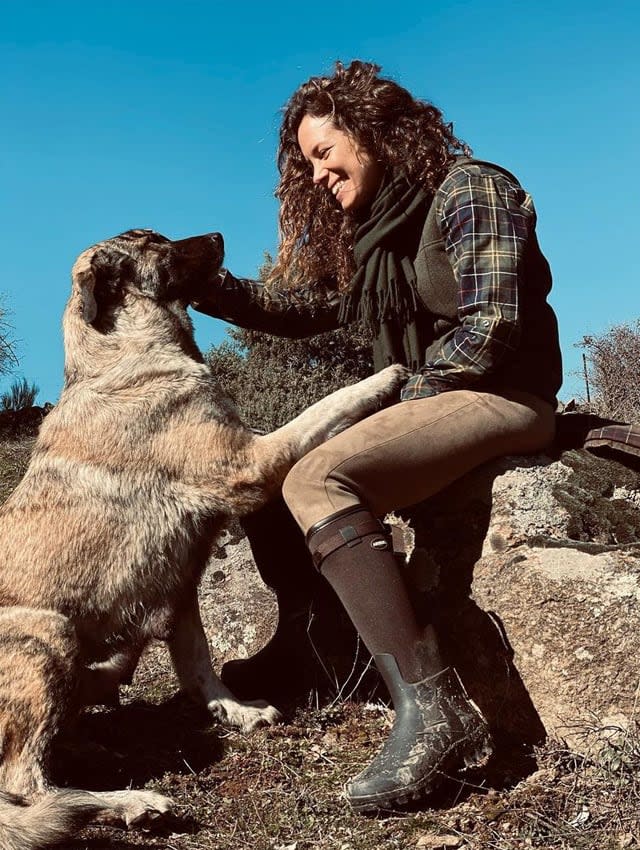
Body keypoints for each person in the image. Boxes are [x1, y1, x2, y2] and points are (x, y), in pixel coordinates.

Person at [192, 60, 562, 813]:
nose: (318, 176)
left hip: (501, 394)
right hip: (431, 397)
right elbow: (297, 309)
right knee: (265, 470)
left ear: (372, 131)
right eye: (307, 165)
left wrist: (398, 397)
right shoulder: (375, 240)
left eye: (324, 154)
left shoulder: (470, 187)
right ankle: (316, 646)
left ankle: (433, 713)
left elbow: (493, 326)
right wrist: (194, 282)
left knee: (316, 478)